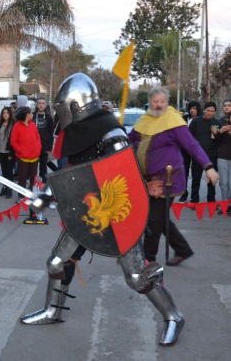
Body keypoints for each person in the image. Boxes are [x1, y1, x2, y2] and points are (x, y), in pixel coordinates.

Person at [20, 74, 187, 347]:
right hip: (89, 214)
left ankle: (173, 316)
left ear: (75, 105)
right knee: (56, 262)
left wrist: (51, 196)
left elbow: (124, 174)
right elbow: (75, 177)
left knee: (135, 277)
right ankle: (53, 310)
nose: (61, 113)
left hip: (118, 212)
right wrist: (47, 196)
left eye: (64, 107)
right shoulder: (78, 133)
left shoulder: (111, 131)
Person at [128, 87, 218, 266]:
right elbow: (131, 141)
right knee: (159, 219)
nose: (159, 105)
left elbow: (192, 145)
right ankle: (183, 249)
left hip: (167, 180)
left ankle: (148, 260)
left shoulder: (173, 121)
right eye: (155, 101)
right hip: (146, 180)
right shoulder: (144, 120)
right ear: (149, 102)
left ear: (167, 102)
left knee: (154, 219)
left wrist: (208, 167)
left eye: (162, 101)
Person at [188, 101, 221, 203]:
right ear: (203, 110)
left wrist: (216, 134)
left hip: (212, 155)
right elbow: (189, 137)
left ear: (215, 112)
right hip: (198, 155)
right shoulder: (196, 122)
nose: (210, 113)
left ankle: (211, 199)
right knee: (196, 179)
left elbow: (220, 140)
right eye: (208, 110)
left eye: (212, 111)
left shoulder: (217, 122)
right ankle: (194, 199)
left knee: (211, 180)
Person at [10, 106, 41, 202]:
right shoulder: (16, 126)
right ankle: (21, 196)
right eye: (31, 113)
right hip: (22, 157)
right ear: (27, 115)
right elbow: (13, 142)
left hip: (34, 157)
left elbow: (37, 137)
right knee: (22, 177)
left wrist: (38, 148)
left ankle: (33, 196)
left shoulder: (33, 125)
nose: (32, 114)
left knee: (34, 178)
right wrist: (21, 151)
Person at [178, 100, 202, 202]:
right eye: (191, 108)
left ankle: (195, 197)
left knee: (196, 174)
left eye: (195, 109)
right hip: (184, 149)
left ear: (198, 110)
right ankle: (184, 194)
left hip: (196, 148)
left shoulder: (201, 120)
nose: (192, 110)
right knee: (184, 173)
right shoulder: (183, 118)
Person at [0, 106, 15, 198]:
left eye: (7, 113)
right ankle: (5, 188)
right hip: (1, 151)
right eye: (3, 113)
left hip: (9, 152)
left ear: (10, 114)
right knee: (4, 172)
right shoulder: (1, 124)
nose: (5, 115)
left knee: (9, 172)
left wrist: (11, 153)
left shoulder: (13, 125)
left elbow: (14, 140)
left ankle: (10, 190)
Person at [32, 97, 54, 183]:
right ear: (37, 105)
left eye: (43, 103)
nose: (41, 105)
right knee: (33, 166)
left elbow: (51, 133)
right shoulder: (32, 115)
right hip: (33, 145)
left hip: (44, 146)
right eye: (39, 103)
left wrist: (49, 148)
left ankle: (44, 184)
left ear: (46, 105)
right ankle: (33, 183)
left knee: (43, 167)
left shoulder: (49, 117)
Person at [215, 99, 231, 215]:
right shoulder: (220, 121)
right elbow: (216, 140)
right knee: (223, 183)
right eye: (224, 105)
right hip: (223, 156)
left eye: (229, 105)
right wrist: (220, 132)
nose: (226, 107)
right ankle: (225, 205)